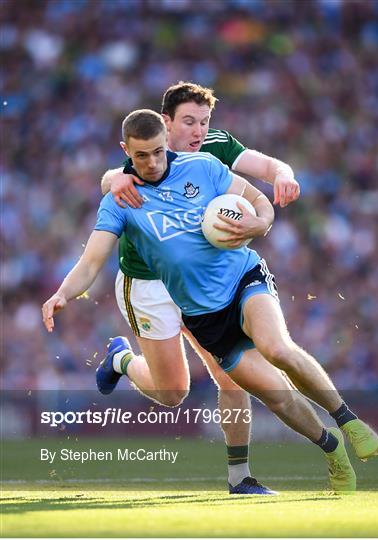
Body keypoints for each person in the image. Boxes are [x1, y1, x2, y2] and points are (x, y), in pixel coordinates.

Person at [43, 109, 378, 494]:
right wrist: (62, 293)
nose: (153, 163)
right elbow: (90, 262)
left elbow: (259, 199)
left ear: (164, 142)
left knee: (277, 348)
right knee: (272, 396)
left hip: (243, 279)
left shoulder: (202, 166)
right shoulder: (121, 200)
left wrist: (260, 222)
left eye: (158, 152)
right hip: (203, 314)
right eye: (141, 156)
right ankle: (332, 449)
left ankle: (348, 421)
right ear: (126, 152)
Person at [99, 82, 300, 494]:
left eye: (204, 122)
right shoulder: (149, 151)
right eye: (188, 121)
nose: (197, 131)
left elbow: (266, 165)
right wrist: (111, 180)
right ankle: (122, 360)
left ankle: (239, 478)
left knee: (231, 376)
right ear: (166, 122)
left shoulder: (214, 148)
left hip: (204, 282)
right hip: (151, 285)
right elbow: (109, 179)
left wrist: (285, 174)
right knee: (174, 392)